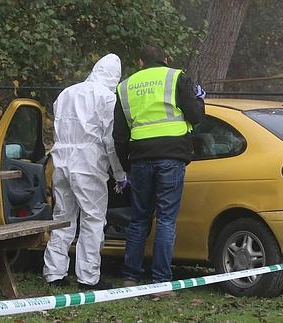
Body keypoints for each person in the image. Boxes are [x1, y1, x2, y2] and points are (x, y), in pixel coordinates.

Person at [113, 45, 205, 297]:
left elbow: (118, 136)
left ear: (140, 61)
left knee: (139, 219)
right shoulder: (176, 77)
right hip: (171, 157)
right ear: (165, 59)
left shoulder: (125, 86)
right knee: (165, 219)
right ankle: (162, 284)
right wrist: (199, 98)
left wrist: (127, 166)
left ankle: (130, 279)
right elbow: (196, 117)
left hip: (140, 159)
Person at [43, 53, 127, 290]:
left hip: (61, 161)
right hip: (89, 164)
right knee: (92, 219)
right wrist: (120, 175)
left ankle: (54, 273)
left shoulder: (66, 93)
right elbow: (110, 142)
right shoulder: (107, 98)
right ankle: (88, 278)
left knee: (62, 218)